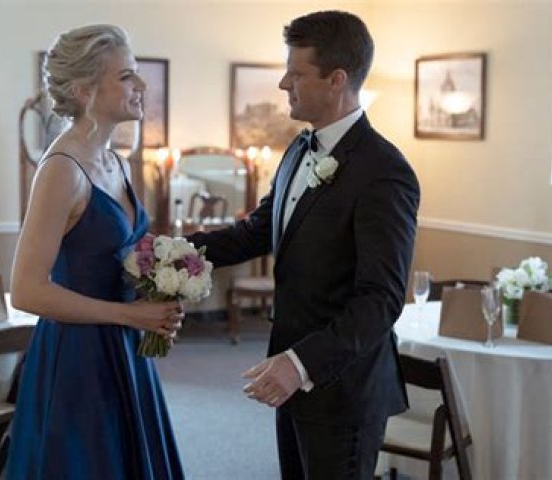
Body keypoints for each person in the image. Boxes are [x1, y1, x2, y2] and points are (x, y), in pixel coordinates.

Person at [190, 10, 420, 480]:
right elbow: (256, 232)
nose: (283, 84)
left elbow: (380, 299)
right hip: (290, 376)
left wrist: (300, 364)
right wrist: (175, 252)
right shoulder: (298, 149)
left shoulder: (384, 171)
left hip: (342, 387)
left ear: (337, 80)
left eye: (295, 74)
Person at [7, 25, 184, 480]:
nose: (141, 85)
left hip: (125, 347)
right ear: (84, 90)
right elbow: (26, 291)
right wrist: (129, 316)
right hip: (79, 358)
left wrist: (158, 298)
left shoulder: (117, 163)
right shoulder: (60, 170)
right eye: (126, 76)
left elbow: (126, 255)